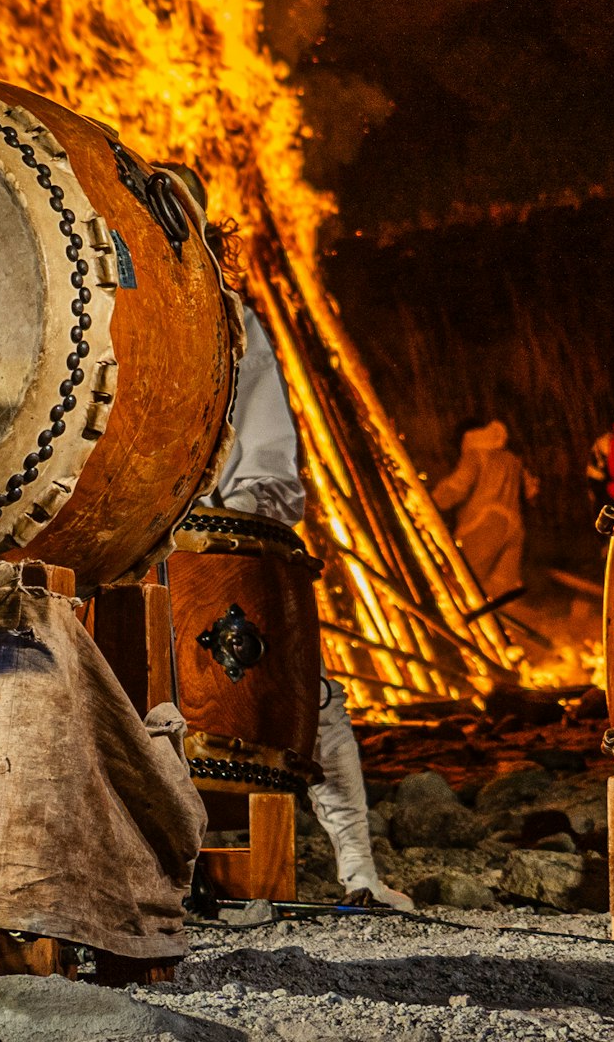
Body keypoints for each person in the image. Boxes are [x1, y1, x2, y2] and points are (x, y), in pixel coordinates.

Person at [201, 258, 405, 910]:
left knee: (309, 697)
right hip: (105, 551)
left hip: (205, 555)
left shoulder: (226, 317)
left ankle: (360, 876)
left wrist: (228, 542)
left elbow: (266, 463)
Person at [429, 420, 536, 603]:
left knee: (466, 582)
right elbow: (531, 491)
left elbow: (458, 487)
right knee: (503, 589)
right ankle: (507, 626)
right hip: (515, 528)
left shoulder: (475, 455)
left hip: (482, 525)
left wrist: (431, 501)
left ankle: (464, 626)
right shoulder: (511, 459)